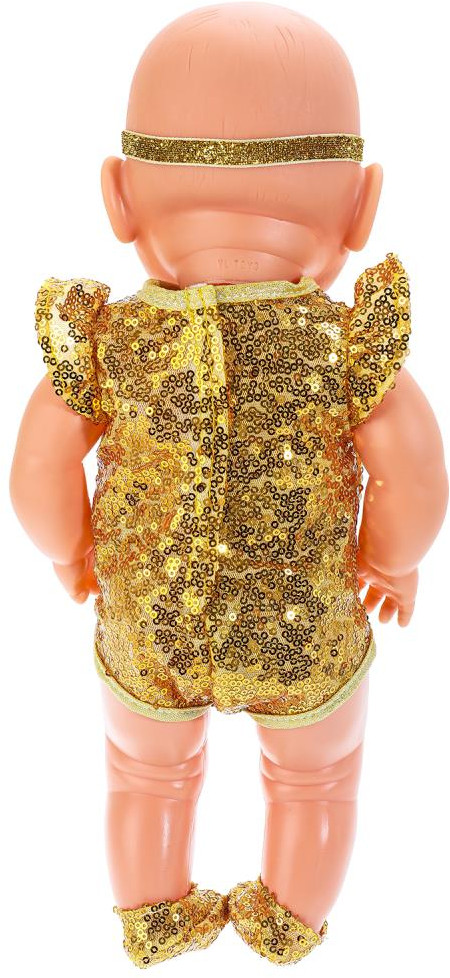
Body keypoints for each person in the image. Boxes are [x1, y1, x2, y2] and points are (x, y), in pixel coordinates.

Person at [9, 3, 448, 969]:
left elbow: (38, 465)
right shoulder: (343, 345)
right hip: (304, 622)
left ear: (119, 198)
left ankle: (156, 916)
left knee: (143, 771)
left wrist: (70, 549)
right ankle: (286, 920)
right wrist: (391, 559)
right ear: (362, 208)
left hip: (151, 617)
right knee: (319, 776)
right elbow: (415, 467)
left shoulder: (112, 340)